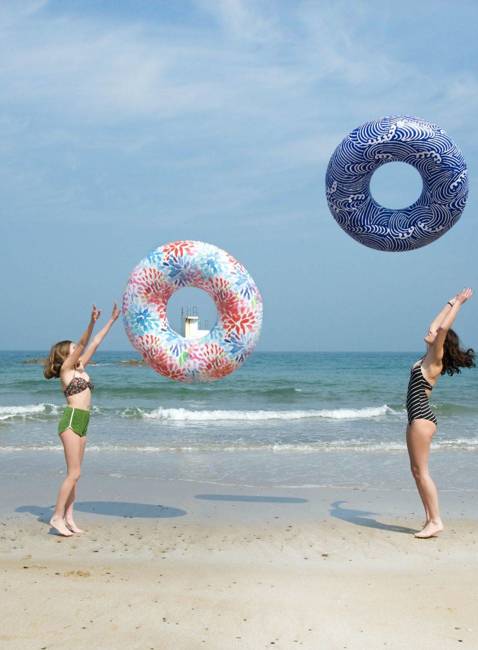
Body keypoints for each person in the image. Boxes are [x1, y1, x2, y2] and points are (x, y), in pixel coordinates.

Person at [43, 304, 120, 536]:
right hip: (71, 419)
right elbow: (86, 341)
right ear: (66, 355)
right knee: (73, 473)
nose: (78, 349)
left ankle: (69, 518)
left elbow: (94, 342)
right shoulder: (67, 370)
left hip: (84, 420)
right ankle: (56, 517)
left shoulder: (81, 367)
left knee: (77, 474)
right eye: (73, 348)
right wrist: (91, 321)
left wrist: (111, 321)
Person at [406, 288, 474, 538]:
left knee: (422, 471)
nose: (430, 331)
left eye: (433, 334)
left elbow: (442, 329)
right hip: (416, 418)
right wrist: (450, 301)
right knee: (415, 471)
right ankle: (429, 520)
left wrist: (460, 305)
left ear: (440, 342)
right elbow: (435, 325)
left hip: (422, 418)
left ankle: (436, 520)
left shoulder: (435, 357)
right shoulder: (427, 356)